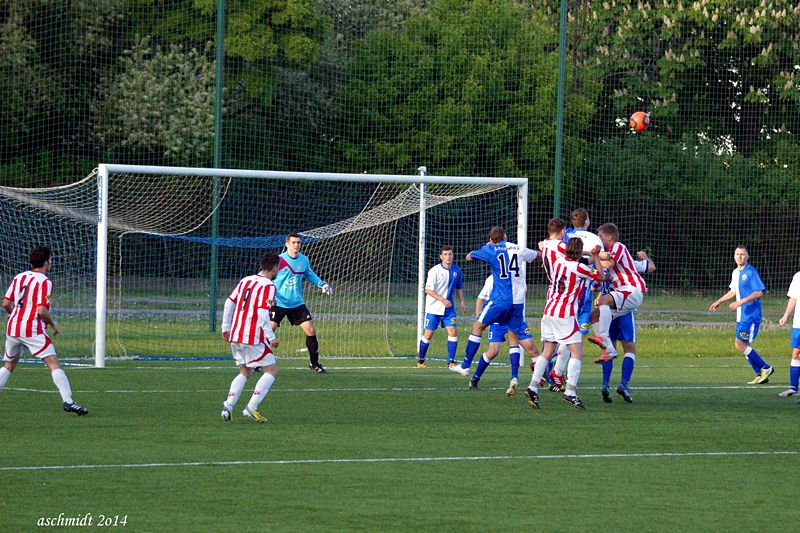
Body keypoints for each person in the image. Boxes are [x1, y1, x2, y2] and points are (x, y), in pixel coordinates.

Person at [0, 246, 88, 416]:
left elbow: (5, 303)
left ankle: (69, 402)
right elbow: (41, 311)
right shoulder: (45, 282)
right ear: (47, 262)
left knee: (9, 365)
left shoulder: (19, 277)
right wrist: (53, 324)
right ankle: (69, 402)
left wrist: (16, 314)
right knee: (54, 364)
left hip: (13, 328)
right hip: (32, 329)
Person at [449, 227, 538, 380]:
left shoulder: (490, 250)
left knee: (478, 326)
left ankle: (466, 365)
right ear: (505, 236)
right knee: (514, 339)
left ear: (491, 240)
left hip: (500, 300)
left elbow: (468, 257)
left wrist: (486, 247)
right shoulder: (519, 249)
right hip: (518, 302)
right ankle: (515, 378)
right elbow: (538, 255)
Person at [523, 238, 601, 410]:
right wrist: (596, 256)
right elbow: (601, 276)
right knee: (577, 351)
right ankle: (570, 392)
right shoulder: (579, 267)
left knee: (548, 351)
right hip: (565, 314)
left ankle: (533, 387)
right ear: (580, 251)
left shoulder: (558, 262)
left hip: (549, 311)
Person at [220, 253, 281, 423]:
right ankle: (251, 407)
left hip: (236, 334)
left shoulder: (246, 280)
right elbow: (262, 313)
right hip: (252, 336)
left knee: (245, 371)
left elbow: (229, 302)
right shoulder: (268, 286)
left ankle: (228, 407)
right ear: (275, 267)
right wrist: (271, 337)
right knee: (271, 370)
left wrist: (226, 327)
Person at [549, 209, 606, 389]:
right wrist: (597, 258)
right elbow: (602, 269)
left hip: (558, 295)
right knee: (575, 342)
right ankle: (561, 378)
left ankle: (555, 373)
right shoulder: (594, 239)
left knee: (563, 339)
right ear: (587, 221)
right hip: (580, 296)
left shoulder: (565, 236)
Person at [709, 245, 773, 384]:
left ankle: (765, 367)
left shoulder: (751, 272)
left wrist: (741, 302)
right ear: (734, 256)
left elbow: (759, 292)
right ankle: (760, 374)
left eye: (742, 254)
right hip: (742, 316)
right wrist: (719, 301)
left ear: (747, 256)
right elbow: (733, 291)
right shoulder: (735, 272)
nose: (740, 256)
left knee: (739, 344)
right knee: (745, 346)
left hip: (750, 315)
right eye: (737, 254)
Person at [271, 233, 333, 374]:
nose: (296, 245)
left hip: (297, 303)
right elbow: (265, 276)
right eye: (293, 242)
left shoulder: (304, 260)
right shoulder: (279, 260)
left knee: (310, 330)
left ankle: (314, 364)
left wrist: (322, 284)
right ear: (287, 244)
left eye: (298, 242)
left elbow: (309, 274)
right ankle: (257, 362)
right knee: (269, 330)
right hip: (278, 302)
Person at [599, 250, 656, 403]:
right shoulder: (628, 265)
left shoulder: (600, 265)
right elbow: (651, 267)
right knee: (630, 350)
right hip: (624, 308)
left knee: (608, 348)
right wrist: (645, 257)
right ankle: (623, 384)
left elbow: (595, 284)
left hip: (607, 311)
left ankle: (605, 384)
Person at [587, 223, 648, 364]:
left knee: (604, 301)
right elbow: (604, 275)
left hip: (632, 288)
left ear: (609, 236)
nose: (599, 239)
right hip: (624, 291)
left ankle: (603, 337)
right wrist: (588, 266)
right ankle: (609, 350)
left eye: (601, 236)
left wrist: (594, 258)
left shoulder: (617, 246)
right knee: (594, 316)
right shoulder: (609, 253)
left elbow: (608, 264)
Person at [475, 275, 541, 396]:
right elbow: (480, 299)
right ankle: (475, 378)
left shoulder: (518, 277)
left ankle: (538, 381)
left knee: (533, 349)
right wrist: (481, 320)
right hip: (498, 321)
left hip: (515, 319)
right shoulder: (492, 279)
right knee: (493, 351)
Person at [417, 246, 466, 368]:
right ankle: (421, 360)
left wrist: (462, 302)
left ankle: (451, 361)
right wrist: (442, 300)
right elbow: (428, 290)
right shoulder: (434, 271)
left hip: (449, 309)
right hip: (433, 308)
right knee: (428, 334)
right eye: (445, 254)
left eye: (450, 254)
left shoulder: (457, 271)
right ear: (441, 257)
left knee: (453, 330)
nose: (448, 257)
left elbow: (459, 288)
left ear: (453, 256)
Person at [778, 270, 800, 400]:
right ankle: (794, 388)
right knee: (796, 354)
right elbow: (793, 298)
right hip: (798, 323)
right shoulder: (798, 276)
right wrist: (786, 315)